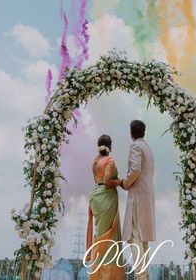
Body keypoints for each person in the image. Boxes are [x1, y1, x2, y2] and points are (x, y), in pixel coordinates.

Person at [86, 134, 124, 280]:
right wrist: (120, 182)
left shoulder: (95, 162)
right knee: (108, 238)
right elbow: (107, 181)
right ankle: (105, 276)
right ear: (110, 146)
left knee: (100, 234)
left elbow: (98, 180)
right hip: (106, 198)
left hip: (96, 196)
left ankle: (98, 273)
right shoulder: (110, 161)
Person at [121, 120, 156, 280]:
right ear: (144, 132)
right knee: (143, 238)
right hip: (148, 194)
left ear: (131, 133)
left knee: (134, 237)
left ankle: (141, 276)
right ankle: (145, 275)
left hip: (137, 196)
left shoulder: (135, 146)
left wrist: (124, 183)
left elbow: (135, 169)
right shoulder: (148, 148)